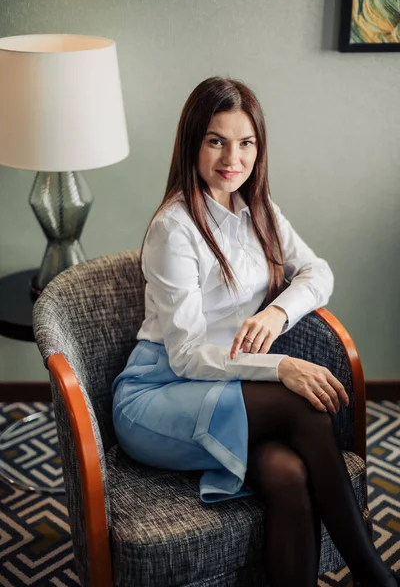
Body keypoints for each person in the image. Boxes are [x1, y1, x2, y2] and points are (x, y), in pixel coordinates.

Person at [111, 77, 398, 587]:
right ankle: (375, 575)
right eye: (216, 140)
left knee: (287, 474)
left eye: (246, 143)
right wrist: (281, 366)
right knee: (300, 404)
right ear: (192, 143)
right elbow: (187, 355)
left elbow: (318, 272)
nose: (232, 158)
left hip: (227, 385)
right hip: (160, 391)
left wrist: (277, 315)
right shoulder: (173, 228)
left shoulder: (259, 209)